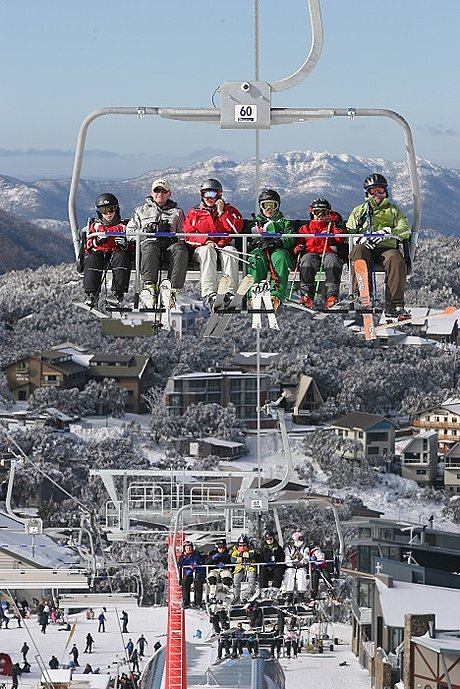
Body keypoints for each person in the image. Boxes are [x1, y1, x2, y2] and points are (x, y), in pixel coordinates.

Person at [347, 173, 411, 318]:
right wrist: (360, 239)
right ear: (367, 193)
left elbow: (405, 230)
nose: (377, 194)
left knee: (395, 258)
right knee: (358, 250)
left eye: (380, 190)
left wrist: (388, 231)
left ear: (386, 191)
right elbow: (349, 233)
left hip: (386, 248)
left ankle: (395, 304)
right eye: (373, 191)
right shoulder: (359, 211)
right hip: (365, 248)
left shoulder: (394, 211)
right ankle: (363, 294)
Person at [126, 178, 188, 309]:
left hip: (168, 249)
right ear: (152, 193)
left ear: (169, 193)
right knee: (150, 246)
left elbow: (184, 234)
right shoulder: (140, 211)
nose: (160, 194)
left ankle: (172, 291)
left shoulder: (177, 212)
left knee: (180, 250)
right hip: (149, 249)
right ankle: (149, 288)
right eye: (157, 191)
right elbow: (129, 233)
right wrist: (145, 232)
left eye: (164, 191)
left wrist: (171, 238)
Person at [184, 178, 243, 307]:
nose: (209, 198)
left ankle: (229, 292)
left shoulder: (230, 211)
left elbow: (235, 229)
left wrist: (222, 213)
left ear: (219, 195)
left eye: (212, 194)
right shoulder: (194, 213)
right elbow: (188, 235)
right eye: (205, 194)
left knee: (231, 252)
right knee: (207, 251)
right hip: (202, 248)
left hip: (223, 246)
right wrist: (206, 241)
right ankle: (210, 293)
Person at [294, 198, 346, 309]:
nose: (320, 215)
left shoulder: (330, 227)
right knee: (307, 260)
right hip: (310, 252)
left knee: (333, 261)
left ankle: (331, 296)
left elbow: (340, 238)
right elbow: (298, 241)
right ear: (312, 213)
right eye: (317, 212)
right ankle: (307, 296)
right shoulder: (305, 229)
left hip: (327, 252)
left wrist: (336, 222)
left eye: (324, 212)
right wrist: (298, 248)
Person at [248, 189, 295, 312]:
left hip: (278, 251)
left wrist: (278, 242)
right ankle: (255, 291)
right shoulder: (256, 223)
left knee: (281, 257)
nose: (269, 209)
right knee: (255, 258)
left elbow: (291, 239)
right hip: (261, 251)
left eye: (273, 205)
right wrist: (256, 241)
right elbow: (247, 239)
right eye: (265, 205)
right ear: (260, 206)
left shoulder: (284, 223)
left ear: (277, 207)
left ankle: (276, 294)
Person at [82, 193, 131, 308]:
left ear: (116, 209)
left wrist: (125, 244)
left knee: (122, 257)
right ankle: (92, 294)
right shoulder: (96, 226)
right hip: (101, 253)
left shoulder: (123, 226)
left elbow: (132, 244)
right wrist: (97, 241)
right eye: (104, 210)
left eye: (111, 209)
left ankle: (117, 294)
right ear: (99, 212)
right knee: (93, 258)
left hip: (117, 252)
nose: (108, 213)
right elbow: (87, 246)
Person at [283, 531, 310, 605]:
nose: (300, 542)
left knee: (301, 574)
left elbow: (306, 557)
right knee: (289, 574)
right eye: (298, 540)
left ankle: (301, 595)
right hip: (291, 567)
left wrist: (302, 561)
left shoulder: (305, 547)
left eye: (301, 540)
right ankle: (289, 594)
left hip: (301, 566)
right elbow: (287, 558)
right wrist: (293, 561)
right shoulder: (288, 548)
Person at [229, 535, 258, 604]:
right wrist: (241, 559)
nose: (242, 547)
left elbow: (253, 555)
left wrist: (244, 556)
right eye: (240, 545)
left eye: (244, 545)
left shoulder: (251, 549)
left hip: (250, 567)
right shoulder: (235, 550)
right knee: (236, 580)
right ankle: (237, 597)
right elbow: (233, 559)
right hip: (239, 568)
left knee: (251, 577)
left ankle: (248, 594)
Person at [178, 541, 205, 609]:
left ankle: (198, 602)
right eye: (187, 548)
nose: (189, 549)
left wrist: (196, 565)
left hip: (197, 571)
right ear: (184, 549)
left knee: (198, 581)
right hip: (188, 572)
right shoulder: (183, 557)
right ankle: (186, 602)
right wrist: (180, 578)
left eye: (190, 548)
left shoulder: (196, 555)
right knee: (185, 582)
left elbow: (201, 562)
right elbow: (180, 566)